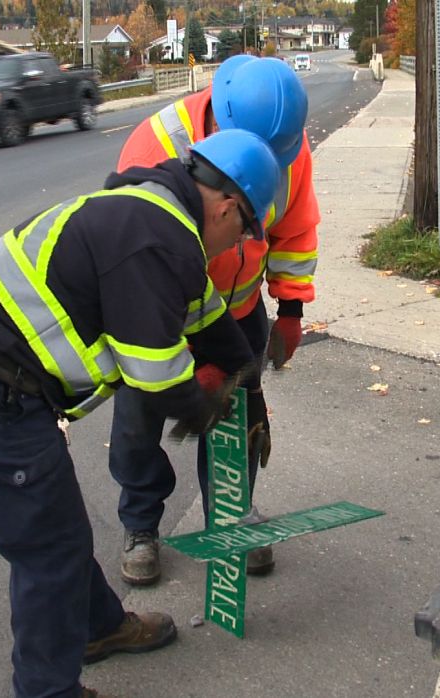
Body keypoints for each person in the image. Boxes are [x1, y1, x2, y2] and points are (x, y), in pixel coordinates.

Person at [0, 129, 281, 698]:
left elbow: (208, 320)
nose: (238, 245)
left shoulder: (155, 213)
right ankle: (48, 689)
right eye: (245, 231)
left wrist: (249, 386)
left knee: (57, 528)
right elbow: (155, 374)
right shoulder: (159, 238)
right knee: (47, 548)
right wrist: (204, 404)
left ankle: (96, 628)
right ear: (229, 207)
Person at [110, 55, 320, 586]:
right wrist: (177, 366)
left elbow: (293, 230)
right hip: (160, 319)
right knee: (140, 422)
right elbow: (131, 256)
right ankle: (141, 528)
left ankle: (231, 518)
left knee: (236, 418)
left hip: (240, 312)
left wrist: (290, 308)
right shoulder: (156, 144)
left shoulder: (288, 146)